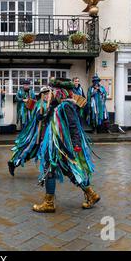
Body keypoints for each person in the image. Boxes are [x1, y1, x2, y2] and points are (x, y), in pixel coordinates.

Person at [32, 78, 100, 213]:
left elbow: (74, 125)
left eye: (53, 91)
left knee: (53, 169)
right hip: (56, 145)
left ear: (60, 91)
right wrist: (42, 116)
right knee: (64, 170)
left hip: (62, 146)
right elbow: (48, 118)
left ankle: (49, 203)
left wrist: (76, 144)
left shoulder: (66, 106)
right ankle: (91, 194)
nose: (51, 93)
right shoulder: (57, 105)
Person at [7, 86, 51, 176]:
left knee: (45, 151)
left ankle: (49, 171)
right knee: (29, 151)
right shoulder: (40, 104)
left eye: (49, 94)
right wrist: (42, 116)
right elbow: (38, 116)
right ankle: (14, 163)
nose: (47, 96)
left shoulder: (50, 104)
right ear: (42, 95)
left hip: (48, 132)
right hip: (38, 133)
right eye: (45, 94)